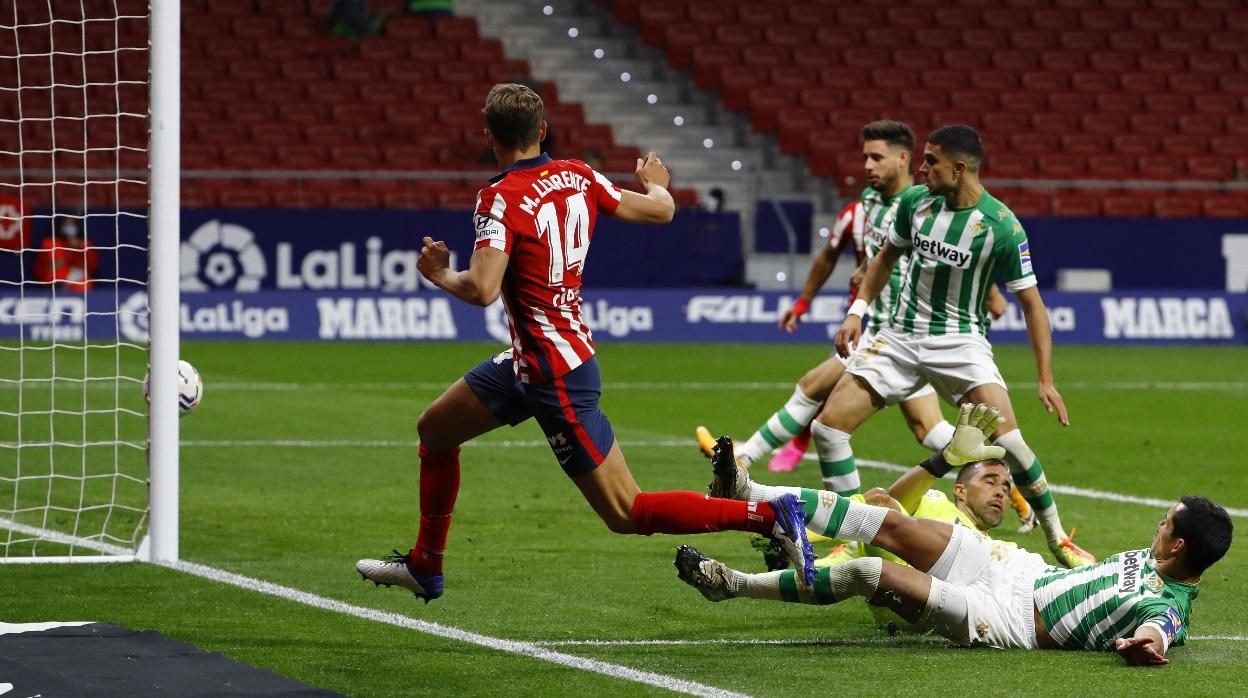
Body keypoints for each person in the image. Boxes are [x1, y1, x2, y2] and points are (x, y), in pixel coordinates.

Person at [355, 83, 816, 602]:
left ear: (487, 136)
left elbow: (482, 288)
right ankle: (425, 565)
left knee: (627, 512)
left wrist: (439, 274)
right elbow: (660, 211)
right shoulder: (577, 174)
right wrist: (657, 184)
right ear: (543, 131)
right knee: (435, 430)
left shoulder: (499, 196)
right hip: (530, 362)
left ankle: (769, 516)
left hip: (553, 374)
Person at [676, 404, 1233, 666]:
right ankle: (746, 491)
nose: (1158, 524)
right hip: (1013, 569)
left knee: (870, 573)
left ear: (1179, 545)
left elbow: (1163, 628)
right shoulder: (1156, 559)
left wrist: (1149, 644)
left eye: (1166, 522)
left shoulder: (1170, 605)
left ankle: (734, 584)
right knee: (889, 521)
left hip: (1007, 620)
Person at [693, 121, 1024, 527]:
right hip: (890, 337)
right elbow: (845, 257)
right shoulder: (866, 205)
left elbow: (960, 263)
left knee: (819, 393)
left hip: (903, 334)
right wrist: (823, 294)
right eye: (864, 156)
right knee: (925, 429)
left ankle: (760, 469)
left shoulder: (928, 203)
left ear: (904, 159)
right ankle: (1003, 481)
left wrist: (988, 295)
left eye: (875, 156)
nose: (866, 164)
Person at [822, 124, 1092, 567]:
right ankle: (852, 539)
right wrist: (857, 311)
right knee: (828, 428)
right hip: (898, 336)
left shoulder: (1002, 227)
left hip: (961, 343)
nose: (923, 169)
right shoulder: (915, 204)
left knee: (1012, 444)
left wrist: (1046, 379)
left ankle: (1058, 538)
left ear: (959, 167)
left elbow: (1032, 305)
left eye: (931, 161)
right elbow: (885, 258)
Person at [34, 214, 97, 292]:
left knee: (85, 282)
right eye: (66, 225)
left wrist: (79, 247)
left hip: (75, 279)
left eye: (72, 225)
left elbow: (91, 267)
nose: (69, 228)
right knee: (59, 275)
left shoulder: (84, 244)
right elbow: (58, 264)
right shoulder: (50, 243)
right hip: (50, 281)